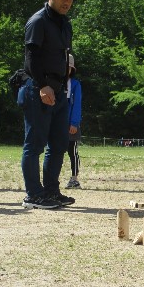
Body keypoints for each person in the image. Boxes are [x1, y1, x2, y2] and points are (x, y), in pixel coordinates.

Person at [19, 0, 76, 209]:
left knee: (59, 144)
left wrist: (60, 87)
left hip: (60, 89)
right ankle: (33, 194)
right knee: (34, 145)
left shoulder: (65, 23)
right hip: (38, 88)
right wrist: (42, 85)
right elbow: (31, 57)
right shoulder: (38, 21)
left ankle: (51, 191)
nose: (67, 1)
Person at [65, 54, 82, 189]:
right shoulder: (55, 83)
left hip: (71, 124)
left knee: (73, 151)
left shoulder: (75, 84)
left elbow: (77, 104)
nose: (66, 70)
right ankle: (53, 180)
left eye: (69, 68)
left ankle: (74, 178)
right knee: (55, 151)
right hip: (57, 124)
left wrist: (74, 123)